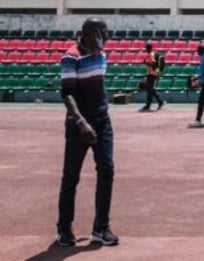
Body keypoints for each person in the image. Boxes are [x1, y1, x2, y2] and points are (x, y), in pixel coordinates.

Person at [56, 17, 119, 247]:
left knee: (107, 169)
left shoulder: (101, 53)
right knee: (71, 176)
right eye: (105, 31)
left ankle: (101, 227)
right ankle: (64, 228)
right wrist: (81, 122)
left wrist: (98, 118)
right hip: (78, 124)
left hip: (102, 120)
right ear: (93, 32)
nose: (108, 36)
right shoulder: (71, 56)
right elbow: (67, 93)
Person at [139, 43, 165, 112]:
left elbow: (153, 64)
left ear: (149, 48)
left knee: (150, 90)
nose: (146, 49)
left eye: (146, 48)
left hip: (152, 74)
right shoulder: (150, 54)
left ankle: (157, 102)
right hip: (151, 73)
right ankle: (155, 103)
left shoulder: (151, 54)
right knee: (150, 89)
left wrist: (146, 63)